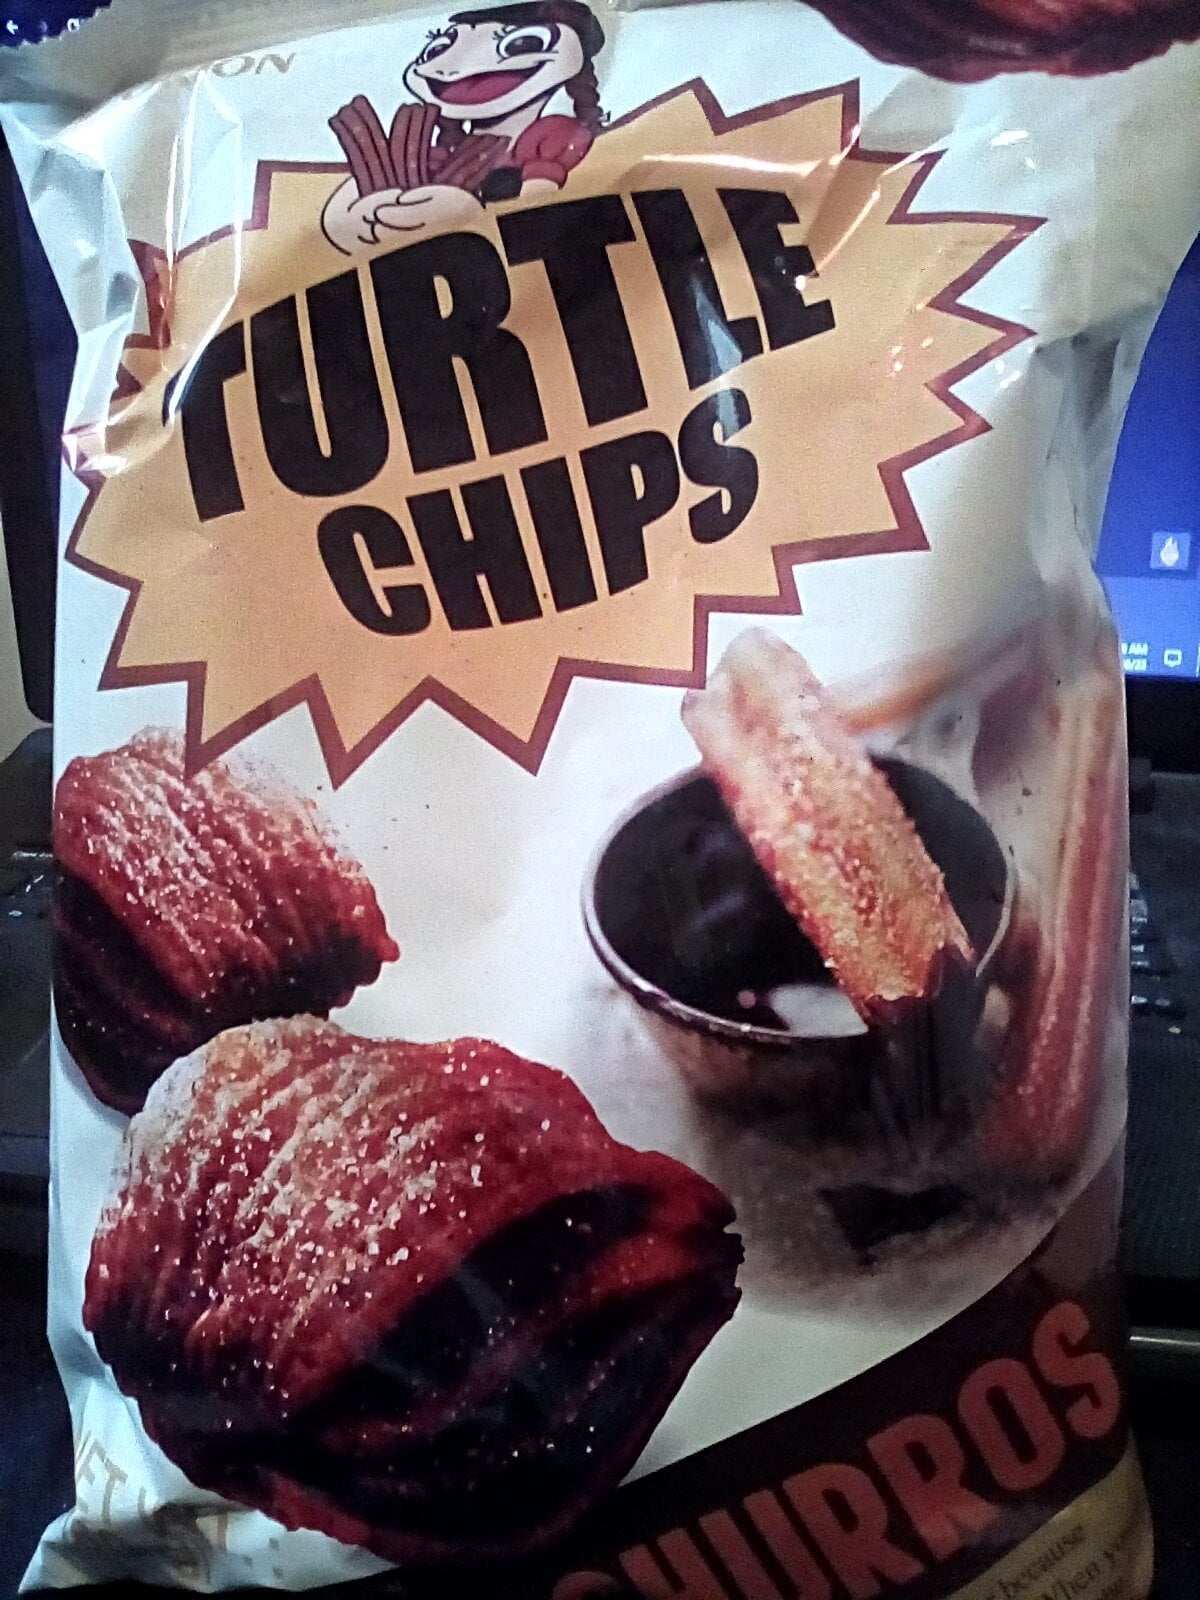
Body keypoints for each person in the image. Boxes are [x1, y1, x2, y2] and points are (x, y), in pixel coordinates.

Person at [322, 0, 605, 254]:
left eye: (520, 43)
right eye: (440, 47)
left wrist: (459, 214)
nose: (449, 68)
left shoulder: (551, 137)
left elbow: (539, 207)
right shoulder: (445, 154)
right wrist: (360, 211)